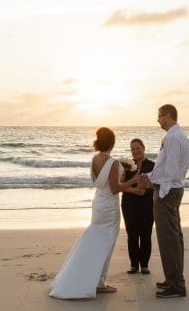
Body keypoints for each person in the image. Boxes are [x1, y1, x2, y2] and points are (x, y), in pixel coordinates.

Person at [49, 127, 142, 299]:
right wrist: (133, 180)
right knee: (106, 243)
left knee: (95, 237)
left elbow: (102, 183)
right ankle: (99, 282)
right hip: (109, 207)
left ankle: (91, 279)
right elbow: (115, 189)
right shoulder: (113, 163)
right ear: (112, 143)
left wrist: (123, 179)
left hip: (99, 203)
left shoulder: (95, 159)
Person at [143, 104, 189, 298]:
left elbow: (170, 173)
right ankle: (174, 278)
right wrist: (150, 176)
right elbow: (166, 169)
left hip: (167, 192)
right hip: (173, 189)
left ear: (168, 116)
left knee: (168, 239)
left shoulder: (173, 138)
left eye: (160, 116)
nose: (157, 120)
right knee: (174, 236)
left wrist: (150, 181)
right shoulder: (179, 136)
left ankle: (176, 284)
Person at [121, 138, 155, 275]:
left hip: (147, 204)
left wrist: (147, 184)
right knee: (132, 235)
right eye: (133, 149)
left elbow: (157, 185)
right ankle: (134, 265)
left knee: (146, 234)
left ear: (143, 148)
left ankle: (145, 265)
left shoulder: (153, 165)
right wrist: (134, 187)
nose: (135, 151)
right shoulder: (127, 166)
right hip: (129, 204)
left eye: (138, 148)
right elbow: (120, 185)